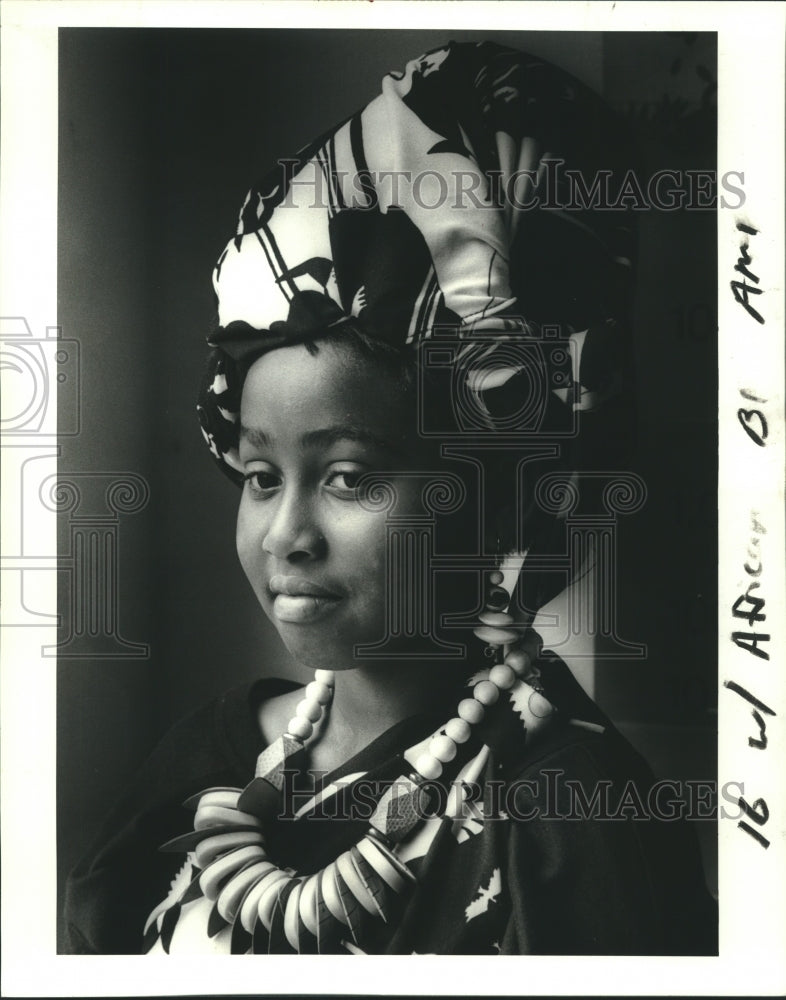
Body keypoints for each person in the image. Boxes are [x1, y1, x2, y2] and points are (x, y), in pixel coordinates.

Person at [63, 39, 717, 956]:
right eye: (258, 478)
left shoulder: (565, 809)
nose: (285, 534)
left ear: (491, 483)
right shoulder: (206, 757)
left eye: (349, 478)